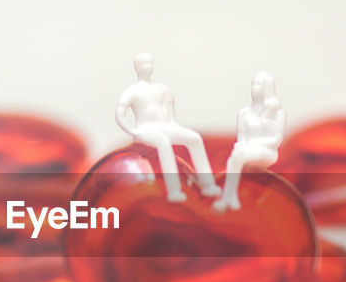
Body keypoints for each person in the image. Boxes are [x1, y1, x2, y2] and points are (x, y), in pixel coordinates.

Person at [115, 53, 221, 201]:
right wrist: (133, 131)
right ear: (136, 67)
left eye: (150, 63)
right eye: (144, 64)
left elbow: (171, 118)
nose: (147, 66)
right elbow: (120, 114)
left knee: (194, 138)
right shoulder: (132, 91)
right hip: (145, 130)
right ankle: (174, 191)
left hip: (165, 127)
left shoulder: (163, 89)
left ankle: (208, 185)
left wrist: (176, 129)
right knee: (163, 143)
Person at [214, 71, 286, 211]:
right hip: (245, 150)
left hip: (267, 151)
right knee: (235, 157)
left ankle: (229, 196)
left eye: (258, 84)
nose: (254, 88)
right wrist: (243, 146)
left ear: (267, 87)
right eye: (253, 84)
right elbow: (241, 137)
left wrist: (251, 146)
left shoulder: (278, 113)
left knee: (237, 157)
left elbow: (275, 140)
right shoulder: (244, 113)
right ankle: (230, 196)